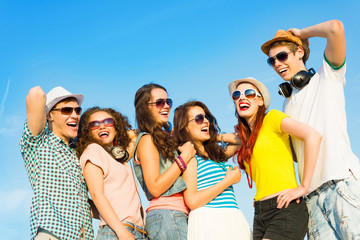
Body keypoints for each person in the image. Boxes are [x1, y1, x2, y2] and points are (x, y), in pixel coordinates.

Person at [261, 20, 360, 239]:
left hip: (340, 184)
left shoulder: (328, 77)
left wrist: (302, 33)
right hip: (311, 198)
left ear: (299, 52)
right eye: (271, 61)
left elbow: (335, 28)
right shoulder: (286, 105)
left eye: (282, 56)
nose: (277, 64)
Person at [228, 78, 322, 240]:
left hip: (285, 207)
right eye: (237, 95)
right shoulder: (247, 140)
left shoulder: (271, 118)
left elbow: (313, 136)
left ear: (260, 101)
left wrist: (303, 186)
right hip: (260, 212)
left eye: (249, 94)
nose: (242, 98)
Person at [19, 86, 94, 240]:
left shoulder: (78, 152)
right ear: (49, 115)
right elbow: (36, 94)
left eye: (77, 110)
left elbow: (83, 202)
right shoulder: (39, 142)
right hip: (53, 235)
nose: (74, 115)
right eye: (66, 110)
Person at [173, 100, 252, 240]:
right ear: (185, 127)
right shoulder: (191, 158)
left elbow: (241, 140)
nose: (205, 122)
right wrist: (227, 181)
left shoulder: (216, 155)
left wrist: (214, 137)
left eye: (206, 118)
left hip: (233, 217)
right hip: (210, 220)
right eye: (198, 119)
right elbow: (192, 200)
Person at [133, 83, 196, 240]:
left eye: (169, 102)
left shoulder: (160, 137)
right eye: (160, 102)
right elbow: (154, 187)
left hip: (176, 215)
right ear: (145, 108)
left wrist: (168, 128)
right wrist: (184, 158)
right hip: (168, 215)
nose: (166, 106)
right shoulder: (147, 140)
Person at [76, 107, 148, 240]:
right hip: (117, 232)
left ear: (117, 127)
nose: (102, 126)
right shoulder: (93, 151)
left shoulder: (118, 158)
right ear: (87, 132)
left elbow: (139, 133)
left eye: (108, 122)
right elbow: (97, 195)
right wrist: (122, 232)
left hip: (137, 232)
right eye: (94, 124)